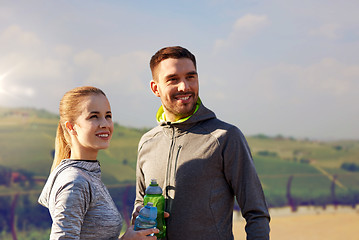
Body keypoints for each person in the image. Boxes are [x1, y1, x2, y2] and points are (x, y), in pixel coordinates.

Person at [133, 46, 270, 239]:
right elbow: (139, 202)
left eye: (190, 77)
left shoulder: (225, 137)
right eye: (173, 79)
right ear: (155, 88)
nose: (184, 87)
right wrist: (139, 214)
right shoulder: (147, 142)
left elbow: (257, 213)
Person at [38, 86, 158, 240]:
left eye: (108, 116)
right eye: (94, 116)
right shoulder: (75, 182)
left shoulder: (88, 175)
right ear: (71, 127)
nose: (105, 124)